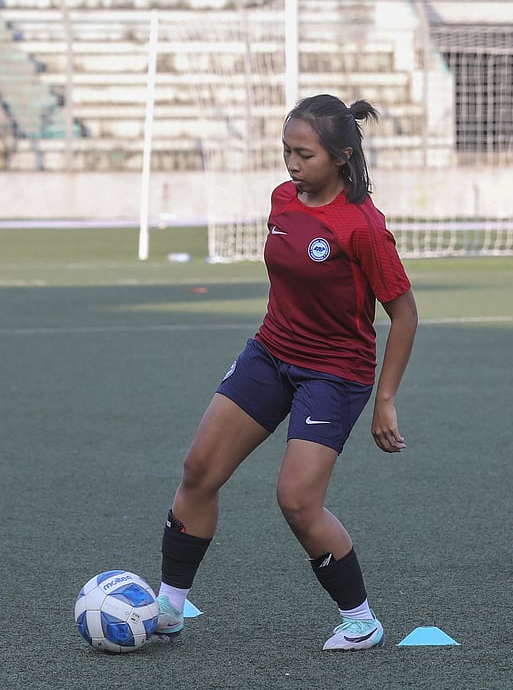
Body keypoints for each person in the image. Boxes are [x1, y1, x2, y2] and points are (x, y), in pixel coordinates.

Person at [152, 94, 418, 651]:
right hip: (270, 353)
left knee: (297, 501)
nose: (291, 164)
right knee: (199, 469)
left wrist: (385, 400)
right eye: (286, 151)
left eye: (303, 154)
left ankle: (361, 620)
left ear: (341, 157)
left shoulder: (362, 227)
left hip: (335, 372)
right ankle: (169, 607)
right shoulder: (281, 199)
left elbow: (404, 313)